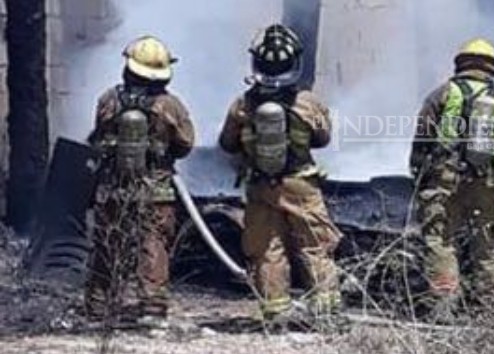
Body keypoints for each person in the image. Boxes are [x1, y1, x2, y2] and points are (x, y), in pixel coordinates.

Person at [218, 23, 342, 326]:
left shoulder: (242, 105)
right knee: (315, 247)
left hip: (261, 188)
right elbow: (323, 138)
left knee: (267, 251)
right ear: (294, 63)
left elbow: (226, 144)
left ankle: (276, 316)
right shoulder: (307, 103)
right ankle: (326, 316)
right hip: (301, 185)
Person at [409, 37, 494, 316]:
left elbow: (423, 137)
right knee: (487, 246)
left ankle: (443, 306)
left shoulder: (442, 94)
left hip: (444, 180)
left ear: (461, 64)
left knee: (441, 242)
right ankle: (489, 309)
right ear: (492, 68)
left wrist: (418, 173)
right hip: (487, 183)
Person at [85, 35, 195, 323]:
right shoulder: (170, 105)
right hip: (155, 191)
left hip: (113, 189)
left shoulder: (108, 99)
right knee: (153, 244)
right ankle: (152, 310)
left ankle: (98, 308)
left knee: (108, 244)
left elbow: (98, 137)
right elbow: (185, 144)